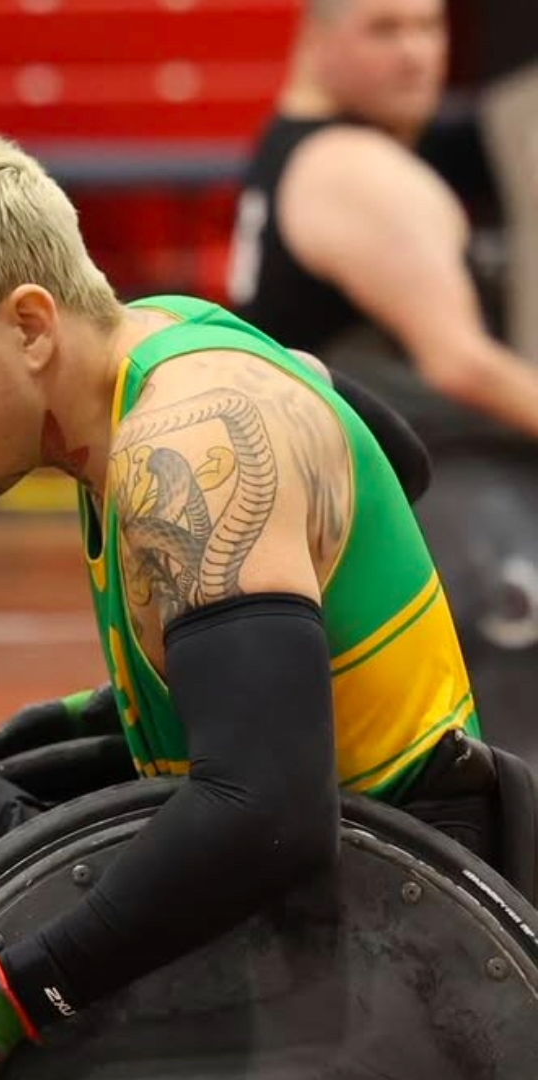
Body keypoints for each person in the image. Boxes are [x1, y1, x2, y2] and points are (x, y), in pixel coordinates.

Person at [0, 134, 487, 1080]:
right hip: (272, 885)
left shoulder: (190, 435)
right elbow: (394, 454)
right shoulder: (160, 342)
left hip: (371, 933)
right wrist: (193, 690)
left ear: (29, 325)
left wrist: (6, 997)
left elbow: (270, 811)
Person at [227, 0, 538, 750]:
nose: (416, 54)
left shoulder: (295, 147)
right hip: (431, 499)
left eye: (429, 29)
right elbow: (459, 362)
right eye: (384, 30)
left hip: (344, 496)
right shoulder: (360, 172)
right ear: (316, 40)